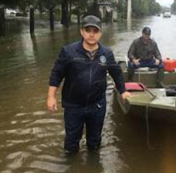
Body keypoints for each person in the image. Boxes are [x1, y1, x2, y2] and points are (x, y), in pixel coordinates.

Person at [47, 15, 130, 154]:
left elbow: (116, 73)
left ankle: (93, 164)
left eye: (95, 31)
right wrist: (51, 96)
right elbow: (56, 74)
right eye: (88, 30)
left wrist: (123, 90)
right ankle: (72, 165)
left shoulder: (107, 53)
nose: (91, 34)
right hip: (73, 106)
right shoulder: (68, 52)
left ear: (100, 33)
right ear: (82, 32)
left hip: (97, 105)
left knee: (94, 142)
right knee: (71, 143)